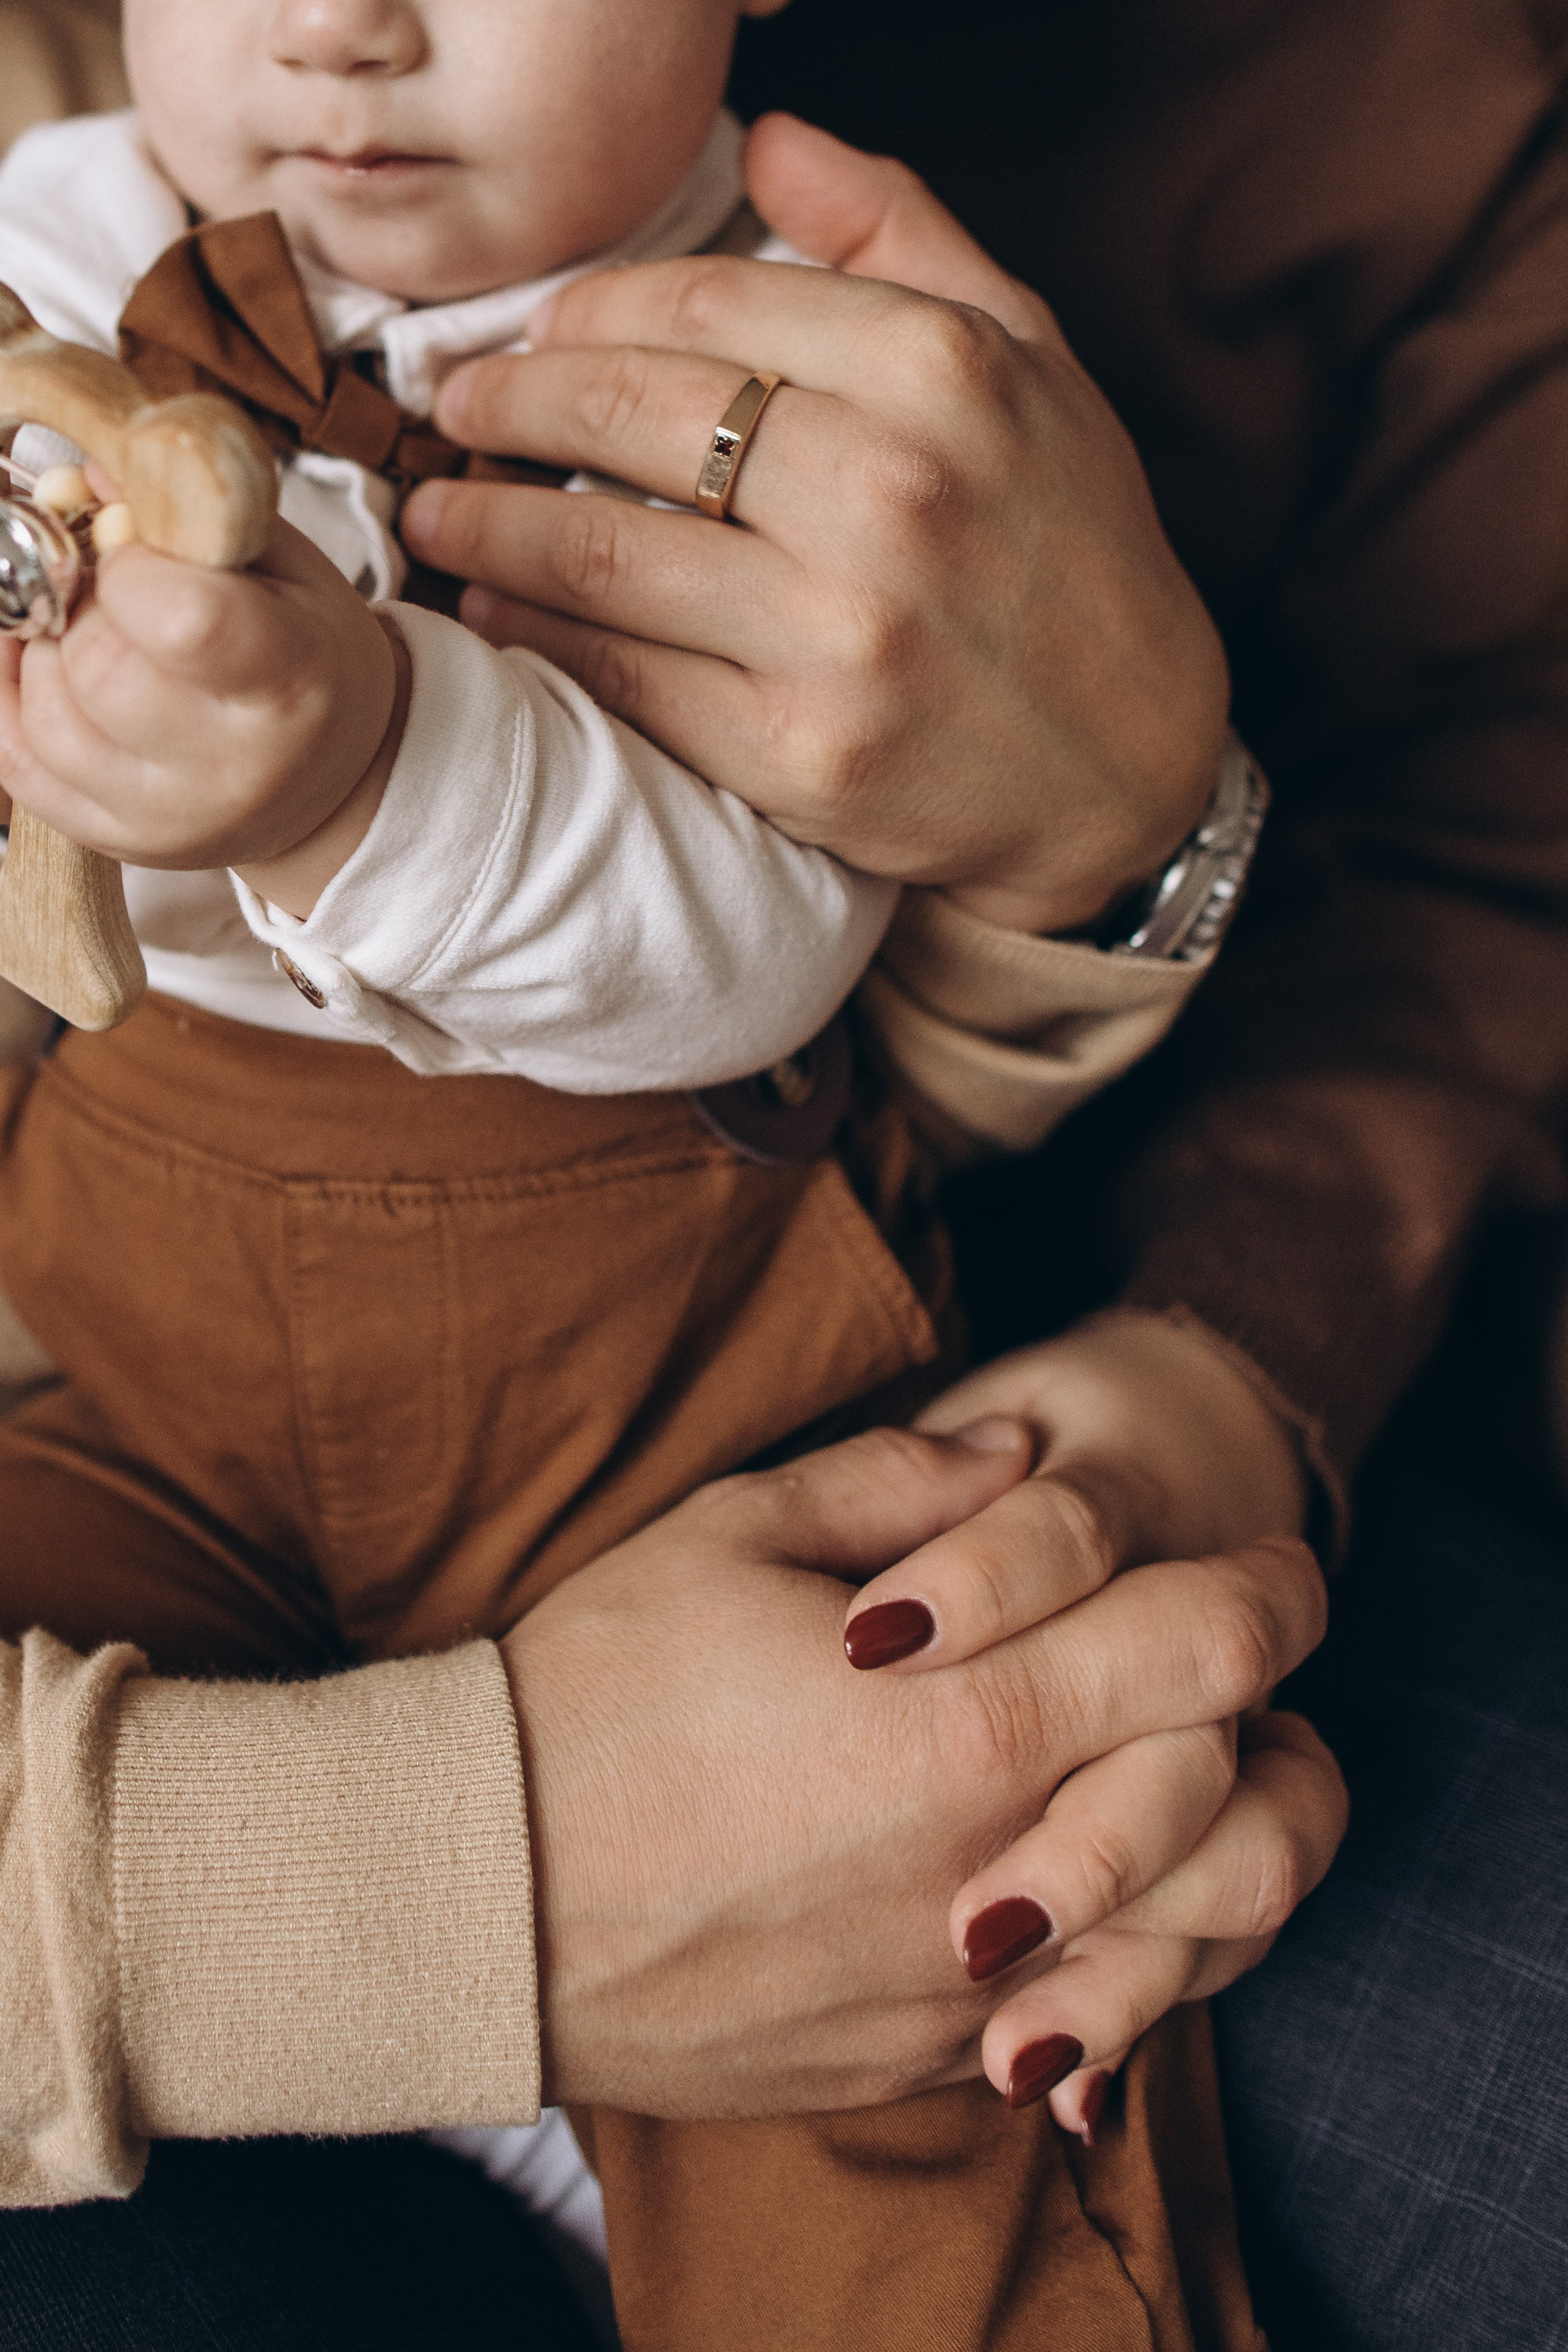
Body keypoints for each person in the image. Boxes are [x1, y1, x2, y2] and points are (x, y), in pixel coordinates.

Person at [0, 0, 1334, 2347]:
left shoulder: (800, 365)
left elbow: (757, 952)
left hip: (662, 1418)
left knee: (942, 2040)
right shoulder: (59, 238)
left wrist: (369, 777)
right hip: (126, 1376)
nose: (342, 28)